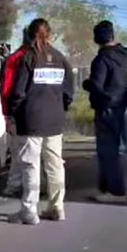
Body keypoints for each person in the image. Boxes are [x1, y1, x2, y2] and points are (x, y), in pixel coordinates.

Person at [7, 18, 74, 224]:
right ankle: (57, 208)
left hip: (31, 120)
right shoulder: (61, 58)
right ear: (50, 34)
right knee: (55, 165)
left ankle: (29, 210)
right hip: (55, 121)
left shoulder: (28, 58)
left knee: (31, 165)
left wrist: (13, 114)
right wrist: (58, 108)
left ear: (30, 34)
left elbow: (18, 92)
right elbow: (69, 92)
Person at [83, 20, 127, 203]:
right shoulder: (123, 56)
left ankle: (115, 191)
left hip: (105, 108)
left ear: (97, 38)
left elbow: (97, 85)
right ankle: (105, 189)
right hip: (119, 105)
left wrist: (86, 84)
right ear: (113, 35)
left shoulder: (102, 59)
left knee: (107, 151)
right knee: (112, 150)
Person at [0, 27, 33, 198]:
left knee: (19, 152)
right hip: (25, 114)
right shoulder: (17, 59)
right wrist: (8, 115)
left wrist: (7, 114)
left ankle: (15, 185)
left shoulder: (16, 58)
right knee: (24, 152)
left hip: (20, 113)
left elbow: (5, 90)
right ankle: (20, 186)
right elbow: (6, 89)